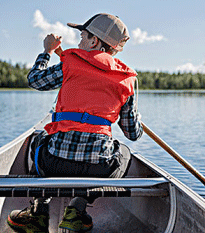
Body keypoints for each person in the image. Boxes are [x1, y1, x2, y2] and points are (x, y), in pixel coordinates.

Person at [7, 13, 143, 233]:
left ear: (94, 41)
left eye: (83, 36)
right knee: (124, 152)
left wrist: (47, 51)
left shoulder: (70, 62)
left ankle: (38, 212)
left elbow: (35, 80)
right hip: (99, 168)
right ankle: (77, 210)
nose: (79, 42)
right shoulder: (127, 79)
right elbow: (133, 133)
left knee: (37, 139)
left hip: (54, 162)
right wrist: (134, 114)